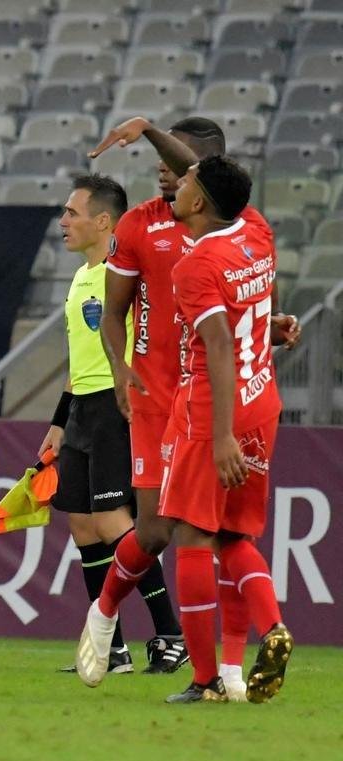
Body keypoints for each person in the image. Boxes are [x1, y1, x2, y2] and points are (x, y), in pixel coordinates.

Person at [77, 117, 301, 695]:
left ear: (200, 180)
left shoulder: (203, 250)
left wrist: (261, 326)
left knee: (200, 535)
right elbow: (114, 309)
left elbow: (225, 333)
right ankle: (104, 615)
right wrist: (122, 370)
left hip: (209, 403)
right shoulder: (146, 226)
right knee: (158, 531)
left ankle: (217, 674)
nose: (167, 172)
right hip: (161, 398)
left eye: (184, 168)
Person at [39, 174, 184, 677]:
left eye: (72, 213)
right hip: (82, 406)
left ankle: (170, 634)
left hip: (116, 406)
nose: (63, 222)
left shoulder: (125, 275)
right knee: (81, 524)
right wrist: (59, 423)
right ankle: (111, 648)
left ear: (103, 220)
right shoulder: (82, 276)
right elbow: (80, 361)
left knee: (115, 522)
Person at [160, 156, 291, 703]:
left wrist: (219, 437)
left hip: (214, 414)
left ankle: (204, 679)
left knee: (193, 537)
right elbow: (253, 310)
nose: (176, 181)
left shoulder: (195, 266)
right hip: (263, 401)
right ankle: (275, 627)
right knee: (236, 535)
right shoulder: (256, 231)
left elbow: (217, 344)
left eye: (185, 181)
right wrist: (270, 331)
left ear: (199, 202)